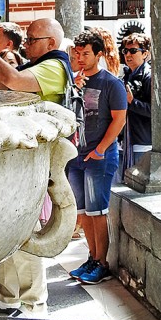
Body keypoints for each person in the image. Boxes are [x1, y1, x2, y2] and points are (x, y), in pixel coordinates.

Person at [0, 17, 70, 315]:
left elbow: (12, 82)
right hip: (24, 160)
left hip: (36, 162)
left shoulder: (54, 66)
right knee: (12, 229)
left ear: (51, 43)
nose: (26, 44)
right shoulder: (39, 64)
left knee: (28, 232)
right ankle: (8, 295)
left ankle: (34, 302)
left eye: (32, 39)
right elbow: (0, 84)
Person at [66, 29, 127, 285]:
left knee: (97, 211)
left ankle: (102, 262)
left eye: (85, 54)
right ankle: (92, 257)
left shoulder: (111, 83)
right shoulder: (74, 80)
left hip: (99, 155)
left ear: (98, 55)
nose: (80, 58)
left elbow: (119, 119)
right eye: (77, 53)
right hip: (77, 155)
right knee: (83, 212)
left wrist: (100, 149)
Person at [121, 32, 152, 172]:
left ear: (145, 54)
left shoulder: (149, 77)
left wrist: (132, 102)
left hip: (143, 143)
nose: (128, 55)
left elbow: (155, 111)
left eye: (133, 51)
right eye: (125, 51)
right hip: (127, 141)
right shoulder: (126, 76)